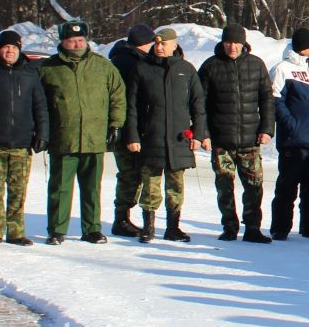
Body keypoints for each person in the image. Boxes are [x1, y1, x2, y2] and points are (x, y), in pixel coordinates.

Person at [39, 20, 127, 245]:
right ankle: (57, 230)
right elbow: (38, 103)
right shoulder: (48, 69)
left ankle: (92, 229)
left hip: (94, 137)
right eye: (71, 41)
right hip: (63, 138)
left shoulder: (103, 66)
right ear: (62, 42)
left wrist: (115, 125)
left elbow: (118, 96)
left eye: (80, 40)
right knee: (60, 188)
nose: (77, 45)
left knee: (91, 188)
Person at [122, 28, 208, 242]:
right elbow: (131, 106)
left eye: (164, 44)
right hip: (151, 137)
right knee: (150, 185)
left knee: (175, 186)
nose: (159, 47)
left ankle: (173, 227)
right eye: (157, 43)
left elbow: (198, 105)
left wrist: (198, 134)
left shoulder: (186, 70)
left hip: (179, 139)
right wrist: (132, 136)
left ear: (174, 45)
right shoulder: (142, 69)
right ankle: (148, 227)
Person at [199, 24, 275, 242]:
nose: (232, 47)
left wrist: (267, 129)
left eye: (236, 43)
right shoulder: (210, 66)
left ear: (243, 44)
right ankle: (229, 226)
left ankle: (252, 227)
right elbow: (199, 104)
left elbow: (267, 100)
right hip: (221, 138)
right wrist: (203, 133)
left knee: (254, 186)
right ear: (222, 43)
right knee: (224, 185)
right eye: (228, 43)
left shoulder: (256, 65)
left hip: (250, 138)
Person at [0, 29, 49, 245]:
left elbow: (40, 106)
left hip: (21, 143)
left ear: (19, 50)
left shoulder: (30, 74)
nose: (9, 51)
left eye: (13, 47)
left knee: (18, 190)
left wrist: (42, 133)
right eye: (6, 47)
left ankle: (16, 232)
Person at [270, 29, 309, 240]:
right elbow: (276, 102)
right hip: (295, 140)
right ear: (305, 47)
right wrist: (292, 125)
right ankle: (280, 227)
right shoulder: (282, 69)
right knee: (287, 187)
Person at [108, 23, 155, 235]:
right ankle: (121, 219)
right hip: (130, 127)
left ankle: (123, 216)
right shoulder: (132, 63)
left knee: (129, 173)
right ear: (145, 44)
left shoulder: (118, 59)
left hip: (126, 126)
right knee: (130, 174)